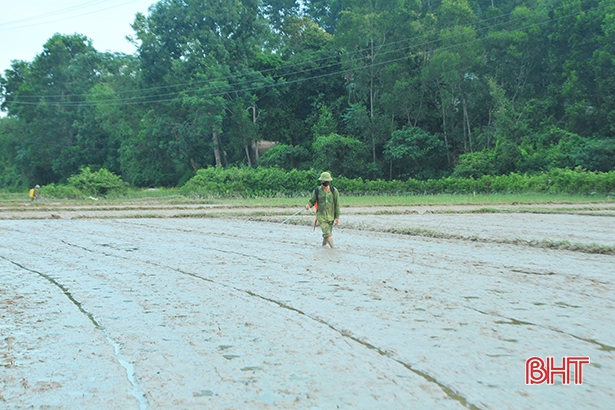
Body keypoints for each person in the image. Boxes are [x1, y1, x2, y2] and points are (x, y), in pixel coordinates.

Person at [306, 172, 340, 248]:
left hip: (331, 216)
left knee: (327, 234)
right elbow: (312, 201)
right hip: (321, 216)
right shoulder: (317, 191)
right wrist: (308, 205)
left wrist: (337, 217)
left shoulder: (334, 191)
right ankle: (333, 249)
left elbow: (337, 204)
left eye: (327, 181)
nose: (325, 182)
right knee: (327, 234)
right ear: (321, 181)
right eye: (324, 181)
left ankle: (323, 247)